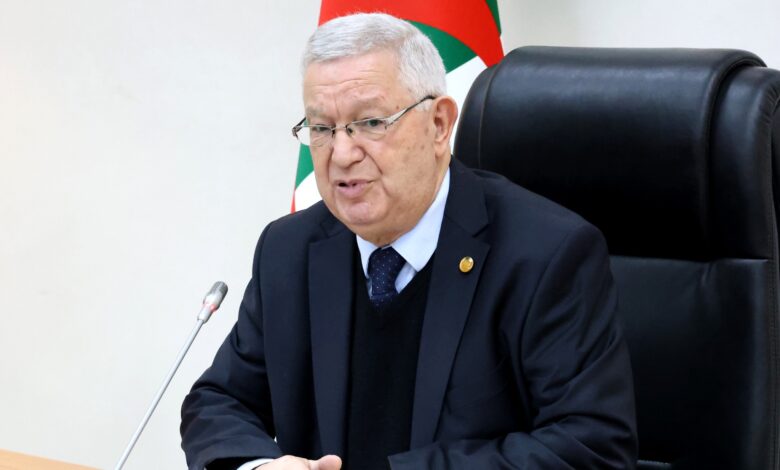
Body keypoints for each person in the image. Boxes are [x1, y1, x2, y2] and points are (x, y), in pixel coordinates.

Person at [181, 12, 637, 470]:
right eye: (321, 129)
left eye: (371, 122)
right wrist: (260, 467)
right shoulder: (290, 250)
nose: (342, 153)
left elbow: (590, 447)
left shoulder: (545, 255)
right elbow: (219, 401)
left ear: (439, 125)